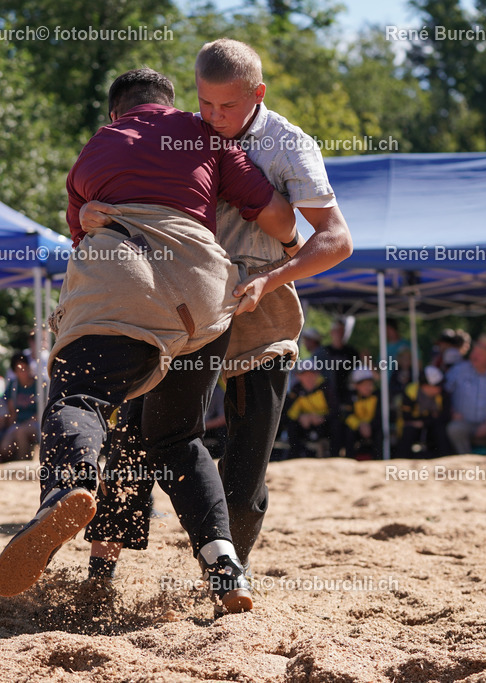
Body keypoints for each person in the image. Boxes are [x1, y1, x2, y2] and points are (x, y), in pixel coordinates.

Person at [0, 66, 311, 612]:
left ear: (115, 113)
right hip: (204, 294)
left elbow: (80, 228)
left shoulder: (96, 148)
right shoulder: (205, 133)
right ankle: (225, 567)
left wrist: (91, 209)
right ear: (173, 101)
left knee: (81, 399)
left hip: (124, 282)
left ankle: (68, 489)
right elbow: (280, 220)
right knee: (178, 438)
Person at [80, 40, 352, 578]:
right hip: (184, 300)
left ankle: (229, 576)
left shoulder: (288, 145)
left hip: (260, 303)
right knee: (134, 440)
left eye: (227, 106)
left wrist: (274, 276)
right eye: (204, 102)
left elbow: (337, 240)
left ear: (258, 93)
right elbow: (130, 190)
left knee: (245, 477)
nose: (214, 116)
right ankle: (99, 575)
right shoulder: (184, 130)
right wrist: (91, 210)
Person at [316, 317, 361, 458]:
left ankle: (349, 456)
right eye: (336, 330)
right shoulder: (323, 352)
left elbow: (359, 373)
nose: (339, 334)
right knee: (332, 425)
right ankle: (333, 456)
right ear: (331, 332)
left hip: (347, 396)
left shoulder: (351, 352)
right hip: (329, 397)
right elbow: (315, 373)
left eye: (342, 331)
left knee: (348, 424)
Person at [396, 365, 449, 459]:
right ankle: (401, 460)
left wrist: (424, 422)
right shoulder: (411, 391)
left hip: (431, 425)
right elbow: (406, 416)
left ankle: (444, 458)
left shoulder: (442, 394)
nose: (439, 388)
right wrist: (430, 418)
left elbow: (445, 416)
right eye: (437, 385)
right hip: (411, 427)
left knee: (440, 430)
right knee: (408, 431)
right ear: (425, 386)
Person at [285, 361, 328, 459]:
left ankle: (335, 456)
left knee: (336, 425)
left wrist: (323, 417)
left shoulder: (326, 387)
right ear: (298, 376)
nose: (309, 378)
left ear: (317, 374)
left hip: (324, 424)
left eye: (312, 374)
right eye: (305, 374)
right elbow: (289, 414)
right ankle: (295, 457)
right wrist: (301, 417)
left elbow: (336, 411)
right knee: (292, 426)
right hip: (306, 425)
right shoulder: (296, 390)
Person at [0, 353, 38, 461]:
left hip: (35, 422)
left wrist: (27, 423)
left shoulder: (38, 385)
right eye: (20, 370)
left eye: (25, 368)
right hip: (18, 423)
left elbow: (42, 409)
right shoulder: (13, 386)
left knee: (21, 433)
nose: (24, 372)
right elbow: (11, 411)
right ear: (15, 372)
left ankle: (23, 463)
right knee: (5, 448)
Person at [345, 368, 380, 460]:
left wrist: (370, 425)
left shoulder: (377, 396)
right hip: (357, 428)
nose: (368, 387)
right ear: (356, 385)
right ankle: (349, 459)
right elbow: (347, 415)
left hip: (373, 427)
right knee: (348, 432)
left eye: (370, 384)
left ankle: (378, 459)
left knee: (380, 433)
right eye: (364, 384)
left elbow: (379, 416)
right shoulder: (351, 396)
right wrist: (359, 425)